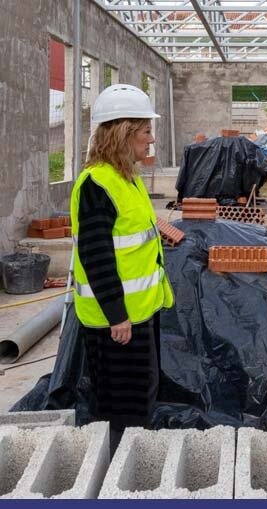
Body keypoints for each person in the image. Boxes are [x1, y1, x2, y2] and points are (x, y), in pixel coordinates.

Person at [70, 84, 175, 455]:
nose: (151, 139)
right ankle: (119, 476)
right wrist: (118, 316)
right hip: (116, 322)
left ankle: (134, 464)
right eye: (146, 131)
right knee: (122, 407)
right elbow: (96, 257)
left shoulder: (126, 178)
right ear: (123, 132)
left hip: (139, 312)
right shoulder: (97, 185)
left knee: (141, 395)